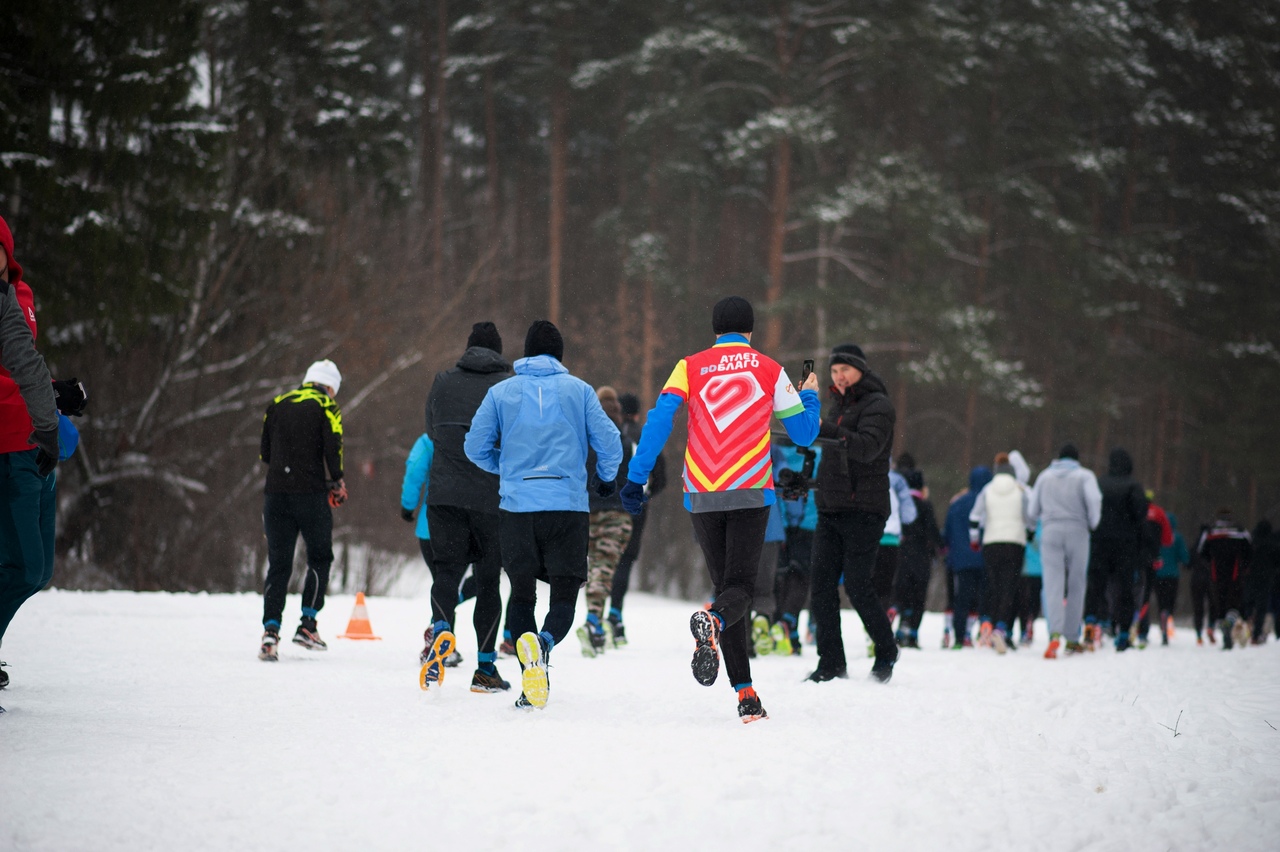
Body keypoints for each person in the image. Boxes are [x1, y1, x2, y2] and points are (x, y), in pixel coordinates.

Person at [621, 296, 820, 722]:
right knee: (739, 592)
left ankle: (745, 693)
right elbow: (804, 435)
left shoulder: (688, 366)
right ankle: (721, 644)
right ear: (750, 330)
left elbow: (659, 419)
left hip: (703, 492)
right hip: (749, 489)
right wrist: (811, 398)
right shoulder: (769, 369)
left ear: (715, 329)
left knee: (727, 591)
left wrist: (637, 477)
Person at [464, 320, 622, 709]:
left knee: (521, 596)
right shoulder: (580, 391)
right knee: (565, 595)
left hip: (517, 508)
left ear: (526, 352)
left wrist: (507, 469)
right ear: (560, 355)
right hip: (567, 506)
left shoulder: (500, 393)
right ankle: (546, 644)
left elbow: (473, 446)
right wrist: (603, 479)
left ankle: (529, 676)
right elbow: (611, 443)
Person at [420, 322, 511, 692]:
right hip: (491, 498)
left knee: (445, 573)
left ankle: (441, 631)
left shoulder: (442, 382)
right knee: (488, 582)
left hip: (443, 495)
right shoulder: (505, 387)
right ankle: (486, 669)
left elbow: (431, 431)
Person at [805, 343, 899, 683]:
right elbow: (835, 455)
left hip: (865, 509)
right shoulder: (837, 406)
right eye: (833, 371)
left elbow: (865, 448)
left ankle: (886, 650)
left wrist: (824, 429)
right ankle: (831, 662)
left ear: (860, 369)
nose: (839, 376)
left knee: (858, 585)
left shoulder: (879, 405)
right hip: (831, 508)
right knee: (821, 586)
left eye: (844, 369)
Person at [0, 215, 63, 695]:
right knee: (23, 565)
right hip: (10, 451)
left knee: (37, 570)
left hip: (38, 446)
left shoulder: (19, 298)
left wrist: (57, 397)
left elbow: (24, 366)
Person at [257, 360, 346, 661]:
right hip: (310, 495)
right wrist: (337, 481)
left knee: (279, 565)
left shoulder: (278, 403)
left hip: (276, 495)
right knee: (320, 557)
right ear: (331, 387)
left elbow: (265, 453)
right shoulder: (326, 406)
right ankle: (307, 624)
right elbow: (334, 446)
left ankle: (270, 633)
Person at [1027, 444, 1102, 658]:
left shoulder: (1044, 477)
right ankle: (1071, 637)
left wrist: (1034, 525)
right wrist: (1092, 523)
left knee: (1053, 584)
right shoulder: (1084, 476)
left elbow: (1032, 510)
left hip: (1050, 531)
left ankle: (1054, 635)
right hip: (1078, 531)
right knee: (1077, 584)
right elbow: (1095, 500)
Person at [605, 392, 667, 646]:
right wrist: (648, 494)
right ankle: (615, 616)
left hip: (605, 504)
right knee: (625, 560)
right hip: (636, 507)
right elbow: (661, 477)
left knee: (604, 558)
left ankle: (594, 617)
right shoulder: (645, 436)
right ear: (638, 412)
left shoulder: (611, 432)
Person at [576, 386, 633, 656]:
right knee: (603, 568)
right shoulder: (623, 442)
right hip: (617, 514)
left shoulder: (584, 439)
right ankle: (593, 622)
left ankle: (592, 622)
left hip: (585, 512)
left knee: (590, 567)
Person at [1085, 448, 1148, 651]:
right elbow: (1141, 516)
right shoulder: (1134, 486)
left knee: (1096, 587)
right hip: (1126, 546)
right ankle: (1122, 633)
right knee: (1125, 590)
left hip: (1099, 542)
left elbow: (1091, 510)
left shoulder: (1099, 483)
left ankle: (1091, 623)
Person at [968, 452, 1031, 653]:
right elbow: (1029, 518)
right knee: (1009, 586)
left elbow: (974, 517)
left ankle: (992, 623)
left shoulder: (987, 489)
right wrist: (1028, 535)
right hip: (1014, 543)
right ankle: (1002, 627)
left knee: (994, 585)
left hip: (992, 543)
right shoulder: (1021, 490)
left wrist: (975, 540)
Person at [776, 443, 821, 655]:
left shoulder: (779, 453)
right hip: (810, 524)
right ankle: (788, 622)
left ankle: (785, 631)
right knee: (802, 577)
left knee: (782, 575)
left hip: (783, 524)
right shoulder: (818, 454)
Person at [895, 467, 943, 649]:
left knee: (902, 593)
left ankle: (901, 627)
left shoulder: (901, 504)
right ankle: (913, 633)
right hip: (921, 557)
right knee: (918, 596)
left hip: (902, 555)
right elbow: (933, 530)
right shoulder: (925, 505)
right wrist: (941, 547)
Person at [944, 467, 991, 649]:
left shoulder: (957, 504)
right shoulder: (988, 501)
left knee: (961, 598)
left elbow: (948, 531)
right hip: (985, 557)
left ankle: (959, 637)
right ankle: (983, 631)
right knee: (983, 597)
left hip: (961, 559)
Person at [1195, 508, 1252, 649]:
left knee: (1219, 604)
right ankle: (1230, 623)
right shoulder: (1240, 530)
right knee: (1234, 603)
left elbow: (1201, 552)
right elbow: (1250, 551)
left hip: (1216, 573)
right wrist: (1244, 567)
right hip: (1235, 573)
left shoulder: (1211, 531)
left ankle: (1224, 626)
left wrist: (1211, 563)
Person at [873, 467, 918, 624]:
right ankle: (882, 624)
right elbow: (909, 515)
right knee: (886, 586)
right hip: (891, 540)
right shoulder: (897, 481)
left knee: (869, 586)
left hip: (870, 540)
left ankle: (871, 624)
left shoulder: (862, 475)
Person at [1134, 490, 1173, 648]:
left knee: (1131, 591)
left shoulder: (1134, 512)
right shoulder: (1159, 512)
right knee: (1147, 594)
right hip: (1152, 560)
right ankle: (1143, 630)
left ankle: (1126, 624)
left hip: (1133, 559)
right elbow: (1167, 539)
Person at [1245, 520, 1277, 643]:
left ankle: (1248, 620)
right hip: (1266, 579)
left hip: (1250, 578)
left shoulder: (1251, 543)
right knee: (1261, 607)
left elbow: (1244, 558)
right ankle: (1256, 634)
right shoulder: (1272, 544)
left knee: (1249, 602)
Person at [1014, 521, 1044, 646]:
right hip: (1028, 569)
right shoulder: (1035, 523)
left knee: (1030, 602)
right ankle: (1026, 628)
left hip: (1036, 569)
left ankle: (1027, 627)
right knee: (1026, 602)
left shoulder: (1040, 523)